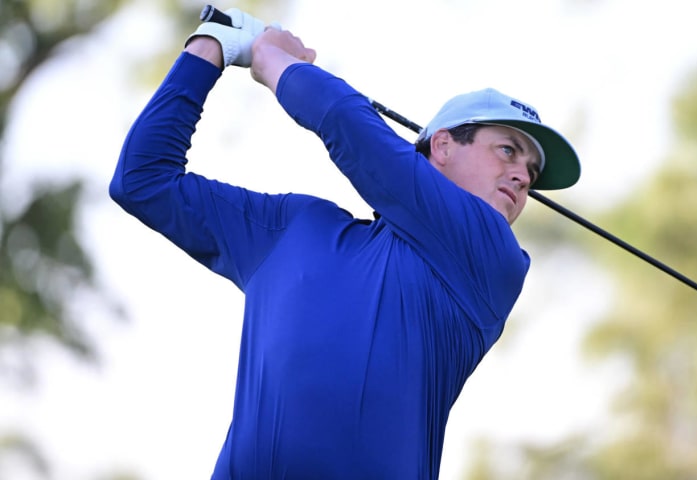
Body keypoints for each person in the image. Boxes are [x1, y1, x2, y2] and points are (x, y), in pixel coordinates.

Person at [110, 7, 580, 479]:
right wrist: (212, 44)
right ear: (441, 147)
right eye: (507, 150)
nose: (522, 177)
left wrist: (275, 61)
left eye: (531, 173)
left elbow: (352, 130)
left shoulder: (493, 259)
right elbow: (142, 181)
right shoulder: (295, 227)